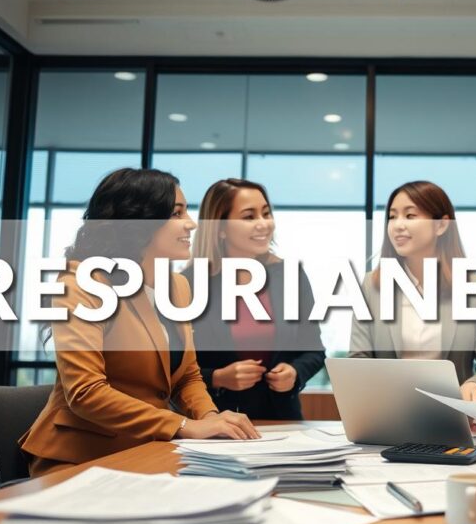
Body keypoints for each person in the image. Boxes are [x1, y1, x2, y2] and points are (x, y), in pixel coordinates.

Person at [20, 168, 260, 477]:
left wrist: (213, 419)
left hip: (148, 451)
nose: (191, 223)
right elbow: (86, 392)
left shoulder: (178, 287)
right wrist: (185, 426)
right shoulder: (81, 282)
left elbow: (187, 376)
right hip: (79, 458)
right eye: (177, 213)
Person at [349, 180, 476, 402]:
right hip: (389, 414)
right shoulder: (370, 286)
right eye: (392, 216)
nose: (397, 225)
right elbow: (358, 359)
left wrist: (475, 384)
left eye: (410, 216)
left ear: (441, 226)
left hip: (455, 415)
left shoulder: (474, 286)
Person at [183, 178, 324, 420]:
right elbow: (173, 368)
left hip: (282, 420)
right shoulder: (188, 284)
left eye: (266, 214)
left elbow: (314, 350)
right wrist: (217, 377)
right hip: (214, 421)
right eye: (249, 217)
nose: (263, 224)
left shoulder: (291, 276)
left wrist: (294, 373)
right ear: (220, 227)